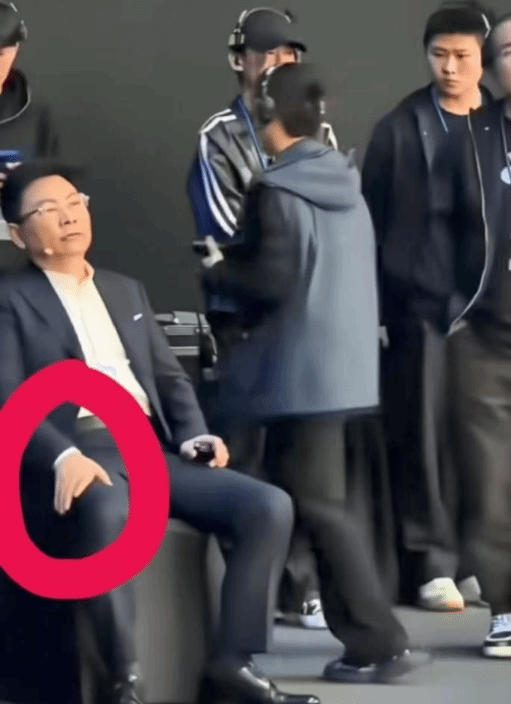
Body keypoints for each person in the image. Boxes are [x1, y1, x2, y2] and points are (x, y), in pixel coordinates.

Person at [0, 160, 319, 704]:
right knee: (105, 511)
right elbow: (8, 394)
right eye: (49, 210)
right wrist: (62, 457)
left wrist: (193, 435)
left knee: (268, 506)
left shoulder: (126, 291)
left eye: (76, 203)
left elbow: (170, 380)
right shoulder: (9, 297)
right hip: (84, 445)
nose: (69, 217)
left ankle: (232, 663)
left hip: (150, 447)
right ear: (16, 233)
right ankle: (123, 679)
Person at [201, 62, 430, 683]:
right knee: (317, 501)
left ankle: (380, 641)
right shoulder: (343, 182)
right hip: (342, 373)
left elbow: (270, 281)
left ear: (269, 117)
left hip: (295, 377)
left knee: (319, 505)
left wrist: (218, 267)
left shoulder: (275, 190)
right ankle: (365, 637)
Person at [187, 6, 337, 629]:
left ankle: (300, 586)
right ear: (238, 60)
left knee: (301, 460)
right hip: (243, 321)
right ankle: (251, 592)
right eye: (266, 53)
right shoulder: (217, 136)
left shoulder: (317, 128)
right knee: (245, 459)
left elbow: (332, 218)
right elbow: (226, 240)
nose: (278, 63)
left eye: (288, 54)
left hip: (307, 323)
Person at [415, 8, 511, 660]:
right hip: (485, 351)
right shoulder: (467, 142)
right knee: (494, 493)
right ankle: (504, 611)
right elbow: (431, 236)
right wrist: (454, 314)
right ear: (493, 67)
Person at [361, 0, 494, 611]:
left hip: (495, 312)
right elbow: (370, 225)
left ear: (484, 58)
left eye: (462, 56)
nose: (450, 67)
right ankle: (431, 562)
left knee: (485, 442)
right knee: (423, 435)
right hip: (420, 309)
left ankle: (476, 561)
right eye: (439, 55)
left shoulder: (508, 124)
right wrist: (378, 312)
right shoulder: (399, 128)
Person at [0, 2, 60, 250]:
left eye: (0, 54)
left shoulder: (37, 116)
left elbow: (55, 193)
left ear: (15, 50)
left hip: (15, 257)